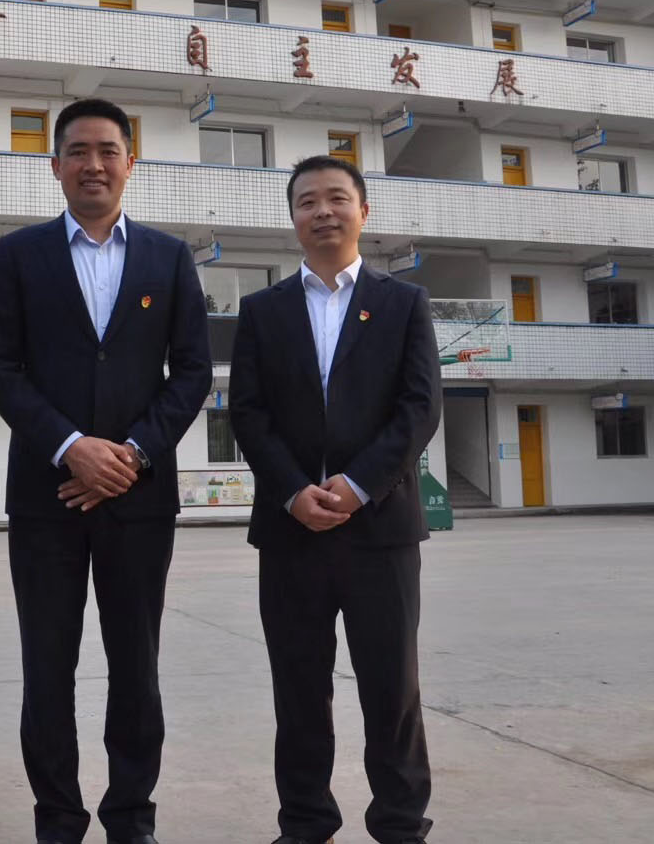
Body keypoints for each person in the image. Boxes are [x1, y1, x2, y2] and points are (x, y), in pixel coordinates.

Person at [0, 98, 212, 844]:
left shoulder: (168, 258)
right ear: (55, 166)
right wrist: (70, 445)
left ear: (130, 163)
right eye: (78, 151)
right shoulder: (20, 254)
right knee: (47, 666)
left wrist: (133, 454)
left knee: (136, 665)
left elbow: (193, 372)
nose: (93, 164)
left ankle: (130, 816)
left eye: (108, 150)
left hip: (139, 501)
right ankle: (58, 817)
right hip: (46, 497)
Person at [228, 154, 443, 844]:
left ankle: (400, 824)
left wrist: (356, 485)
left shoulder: (403, 303)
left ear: (363, 211)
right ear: (293, 218)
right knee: (298, 689)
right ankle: (305, 822)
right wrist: (293, 492)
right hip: (291, 532)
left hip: (381, 529)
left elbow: (419, 408)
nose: (323, 211)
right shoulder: (263, 311)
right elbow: (248, 413)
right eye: (307, 202)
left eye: (336, 198)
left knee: (392, 688)